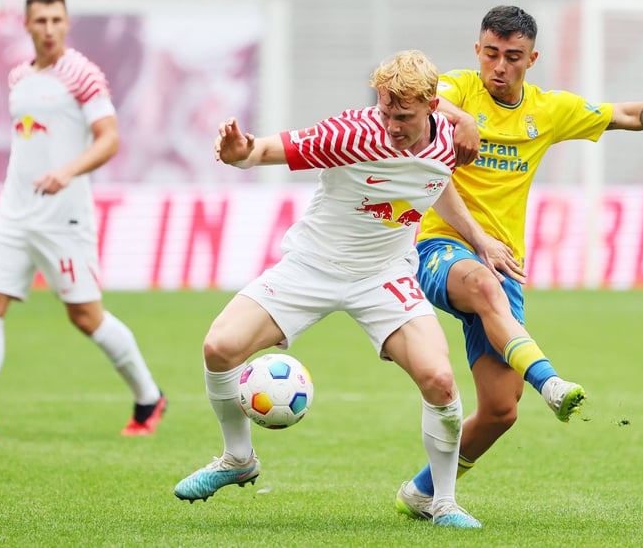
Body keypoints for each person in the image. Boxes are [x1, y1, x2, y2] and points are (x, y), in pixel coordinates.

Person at [395, 5, 643, 519]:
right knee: (480, 284)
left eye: (513, 57)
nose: (499, 66)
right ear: (478, 50)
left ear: (532, 59)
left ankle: (420, 491)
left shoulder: (548, 110)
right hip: (441, 249)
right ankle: (551, 381)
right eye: (491, 54)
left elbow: (626, 116)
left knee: (500, 412)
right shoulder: (458, 88)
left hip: (503, 264)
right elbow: (428, 102)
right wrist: (458, 119)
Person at [173, 50, 509, 529]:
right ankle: (237, 458)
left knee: (440, 380)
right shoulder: (350, 132)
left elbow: (435, 183)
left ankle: (444, 502)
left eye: (405, 117)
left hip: (385, 274)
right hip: (312, 265)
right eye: (386, 111)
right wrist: (239, 153)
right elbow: (266, 149)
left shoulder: (446, 142)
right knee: (219, 347)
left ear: (433, 107)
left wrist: (480, 240)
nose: (392, 125)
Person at [0, 0, 166, 439]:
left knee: (85, 316)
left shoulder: (82, 74)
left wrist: (67, 171)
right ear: (27, 25)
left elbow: (109, 138)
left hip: (64, 217)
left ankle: (149, 397)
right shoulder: (19, 76)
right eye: (40, 21)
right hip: (13, 212)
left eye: (57, 20)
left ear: (67, 23)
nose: (49, 29)